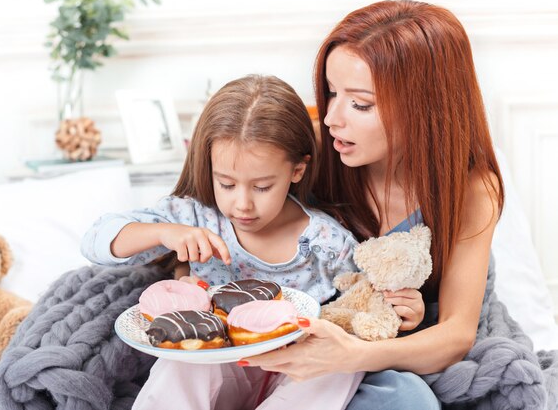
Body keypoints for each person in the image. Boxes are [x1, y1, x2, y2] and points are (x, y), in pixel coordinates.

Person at [81, 75, 423, 409]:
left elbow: (365, 301)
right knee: (183, 362)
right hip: (218, 368)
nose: (242, 204)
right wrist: (163, 233)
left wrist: (403, 310)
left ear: (297, 171)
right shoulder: (194, 217)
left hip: (296, 375)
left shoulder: (325, 240)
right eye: (227, 184)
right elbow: (96, 240)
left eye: (261, 187)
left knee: (341, 365)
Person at [242, 0, 505, 410]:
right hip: (288, 330)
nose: (332, 118)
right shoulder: (312, 148)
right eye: (330, 93)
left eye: (361, 104)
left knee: (408, 400)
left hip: (374, 352)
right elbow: (201, 216)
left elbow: (456, 334)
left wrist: (351, 354)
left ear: (427, 107)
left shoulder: (472, 189)